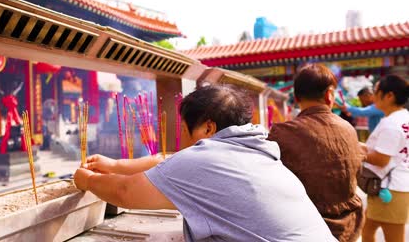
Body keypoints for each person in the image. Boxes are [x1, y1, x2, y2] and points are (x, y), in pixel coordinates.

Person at [74, 84, 336, 242]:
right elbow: (167, 161)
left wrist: (85, 179)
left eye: (185, 131)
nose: (183, 140)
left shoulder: (205, 159)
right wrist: (114, 165)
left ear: (208, 127)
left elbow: (124, 192)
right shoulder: (256, 151)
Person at [267, 64, 364, 241]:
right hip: (349, 228)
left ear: (296, 98)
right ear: (329, 95)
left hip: (303, 228)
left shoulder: (281, 133)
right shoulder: (349, 129)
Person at [360, 75, 409, 242]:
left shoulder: (391, 124)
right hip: (394, 186)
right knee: (366, 231)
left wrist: (357, 153)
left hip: (389, 189)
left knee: (391, 238)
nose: (372, 97)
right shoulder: (403, 118)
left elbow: (381, 159)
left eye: (376, 92)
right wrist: (360, 146)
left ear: (389, 96)